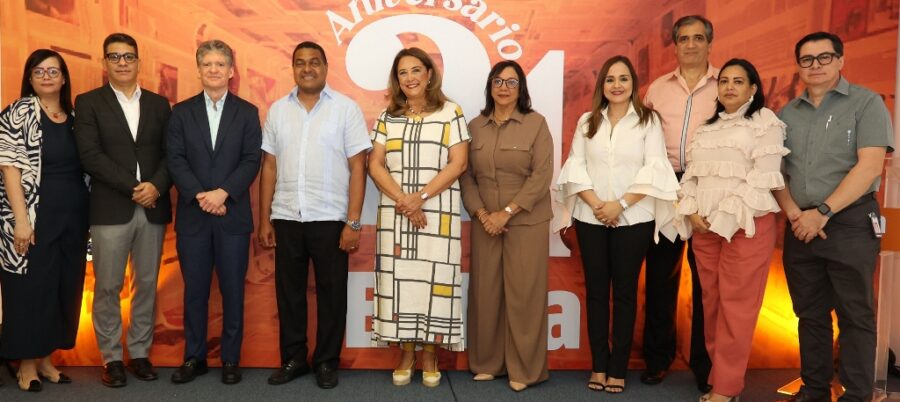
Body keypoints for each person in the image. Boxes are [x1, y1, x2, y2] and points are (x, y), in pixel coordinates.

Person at [774, 32, 893, 402]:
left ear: (841, 60)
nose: (816, 65)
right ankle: (814, 389)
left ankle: (857, 395)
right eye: (807, 59)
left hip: (849, 222)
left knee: (855, 314)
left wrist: (823, 212)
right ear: (798, 67)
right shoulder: (785, 114)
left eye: (824, 57)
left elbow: (871, 164)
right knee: (809, 313)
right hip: (799, 225)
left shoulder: (866, 103)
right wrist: (796, 214)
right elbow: (773, 172)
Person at [556, 55, 679, 394]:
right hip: (590, 216)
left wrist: (620, 205)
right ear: (602, 86)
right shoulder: (587, 121)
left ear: (633, 84)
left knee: (624, 294)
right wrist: (597, 205)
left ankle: (617, 368)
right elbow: (575, 166)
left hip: (634, 218)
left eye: (623, 78)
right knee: (596, 293)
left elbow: (653, 167)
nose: (617, 85)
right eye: (610, 79)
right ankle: (598, 365)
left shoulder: (648, 121)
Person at [258, 41, 370, 389]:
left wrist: (353, 222)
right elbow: (270, 166)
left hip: (330, 218)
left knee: (332, 294)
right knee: (289, 293)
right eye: (300, 63)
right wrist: (265, 219)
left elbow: (358, 167)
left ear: (325, 66)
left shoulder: (346, 109)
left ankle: (325, 361)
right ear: (293, 68)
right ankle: (294, 359)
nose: (307, 68)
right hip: (287, 216)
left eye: (314, 62)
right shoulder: (277, 110)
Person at [674, 59, 788, 402]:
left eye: (739, 81)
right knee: (712, 305)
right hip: (704, 228)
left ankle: (726, 387)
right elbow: (691, 176)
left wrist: (724, 216)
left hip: (745, 225)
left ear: (753, 89)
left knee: (737, 306)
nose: (730, 87)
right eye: (724, 81)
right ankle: (719, 377)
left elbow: (763, 176)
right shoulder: (706, 129)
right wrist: (691, 210)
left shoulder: (764, 122)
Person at [74, 32, 172, 388]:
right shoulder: (88, 103)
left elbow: (170, 154)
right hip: (111, 208)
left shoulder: (161, 105)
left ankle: (140, 353)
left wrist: (156, 186)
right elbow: (90, 156)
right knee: (108, 287)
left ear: (138, 61)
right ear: (104, 63)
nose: (122, 63)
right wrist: (135, 189)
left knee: (146, 284)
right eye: (114, 57)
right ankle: (112, 358)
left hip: (153, 207)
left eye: (128, 56)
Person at [369, 47, 469, 388]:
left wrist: (420, 197)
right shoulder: (388, 116)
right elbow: (374, 165)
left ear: (429, 74)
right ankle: (406, 352)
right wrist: (404, 200)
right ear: (396, 80)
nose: (409, 78)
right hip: (397, 215)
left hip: (436, 215)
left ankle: (430, 354)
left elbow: (458, 163)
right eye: (402, 73)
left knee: (434, 283)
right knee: (400, 285)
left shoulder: (451, 112)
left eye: (416, 70)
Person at [166, 39, 261, 385]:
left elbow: (252, 159)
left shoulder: (248, 112)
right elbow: (175, 158)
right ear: (199, 70)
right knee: (194, 291)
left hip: (232, 216)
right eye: (207, 64)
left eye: (221, 64)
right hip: (194, 217)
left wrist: (223, 193)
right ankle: (195, 357)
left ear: (231, 71)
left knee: (234, 290)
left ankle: (231, 360)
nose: (214, 70)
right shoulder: (180, 112)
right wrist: (200, 195)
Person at [460, 60, 553, 392]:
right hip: (485, 222)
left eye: (511, 82)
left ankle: (525, 370)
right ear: (489, 86)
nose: (503, 87)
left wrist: (507, 212)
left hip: (526, 222)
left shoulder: (536, 124)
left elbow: (541, 176)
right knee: (486, 293)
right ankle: (487, 363)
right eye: (497, 81)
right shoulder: (474, 126)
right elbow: (465, 175)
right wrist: (483, 213)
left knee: (523, 295)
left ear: (521, 89)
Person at [0, 49, 88, 392]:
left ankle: (47, 359)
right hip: (34, 215)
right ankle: (25, 364)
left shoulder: (76, 116)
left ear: (64, 78)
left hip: (74, 213)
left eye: (54, 71)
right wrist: (21, 221)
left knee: (62, 286)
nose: (47, 76)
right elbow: (9, 168)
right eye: (39, 71)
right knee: (30, 289)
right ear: (30, 77)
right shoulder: (19, 111)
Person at [642, 14, 718, 391]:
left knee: (707, 282)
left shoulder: (728, 84)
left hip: (709, 190)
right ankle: (657, 359)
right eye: (683, 39)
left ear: (709, 43)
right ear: (675, 45)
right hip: (667, 188)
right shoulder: (657, 88)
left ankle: (707, 368)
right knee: (660, 278)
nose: (690, 44)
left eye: (698, 38)